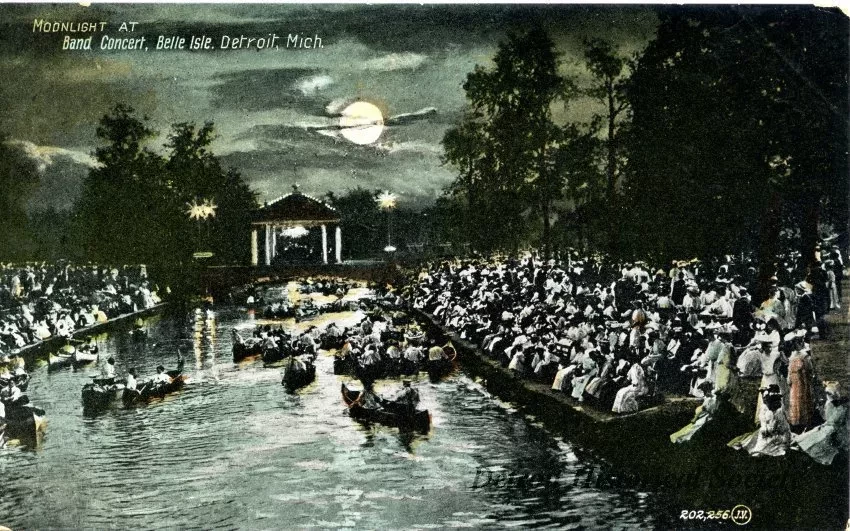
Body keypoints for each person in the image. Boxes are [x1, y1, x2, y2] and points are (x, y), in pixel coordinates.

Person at [793, 381, 848, 465]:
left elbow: (834, 421)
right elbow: (827, 418)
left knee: (821, 435)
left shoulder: (841, 407)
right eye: (827, 394)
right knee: (815, 432)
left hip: (836, 428)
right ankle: (803, 445)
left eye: (830, 394)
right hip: (829, 425)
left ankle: (808, 448)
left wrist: (825, 424)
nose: (828, 396)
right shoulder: (829, 404)